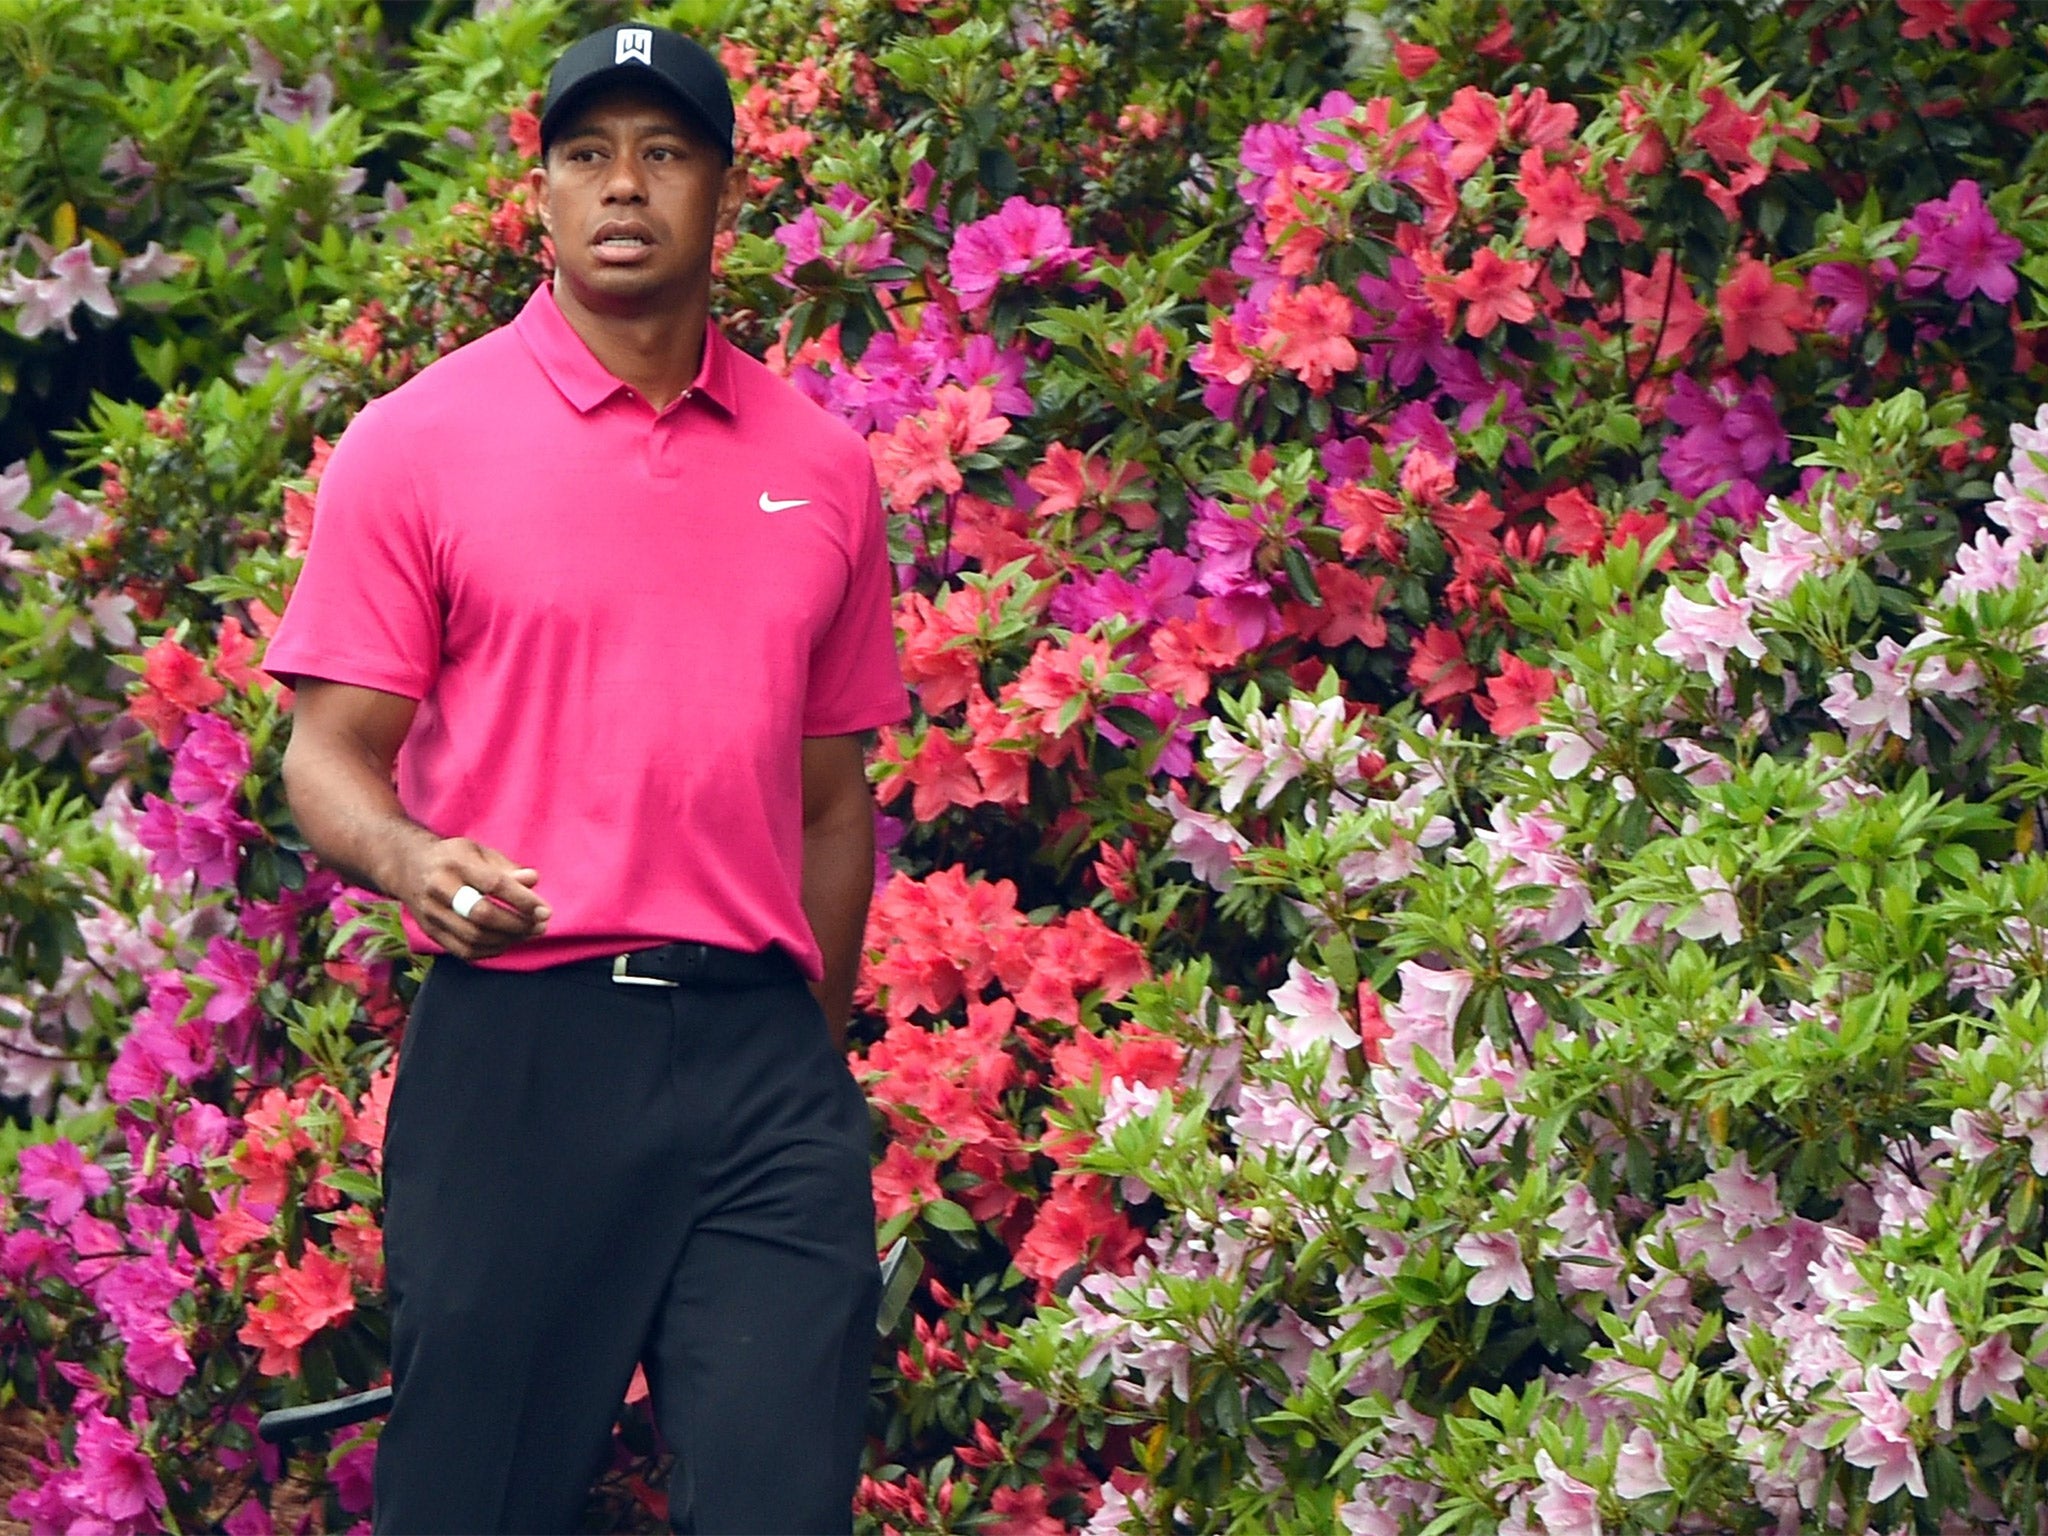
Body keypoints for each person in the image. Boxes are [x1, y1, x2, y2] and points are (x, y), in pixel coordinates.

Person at [267, 23, 907, 1534]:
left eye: (666, 152)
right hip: (526, 1054)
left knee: (783, 1503)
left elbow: (830, 803)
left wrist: (806, 1060)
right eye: (587, 154)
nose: (626, 187)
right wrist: (416, 860)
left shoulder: (820, 465)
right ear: (541, 200)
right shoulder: (414, 445)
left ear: (723, 193)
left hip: (761, 1066)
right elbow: (329, 756)